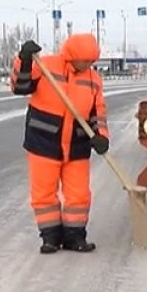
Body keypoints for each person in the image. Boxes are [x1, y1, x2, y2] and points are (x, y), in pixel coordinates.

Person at [10, 33, 110, 254]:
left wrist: (101, 135)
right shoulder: (45, 66)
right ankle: (50, 237)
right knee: (44, 194)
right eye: (85, 60)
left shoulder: (94, 79)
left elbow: (97, 111)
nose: (88, 65)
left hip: (77, 144)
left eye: (92, 61)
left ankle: (75, 237)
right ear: (73, 55)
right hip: (44, 141)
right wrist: (24, 59)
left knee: (79, 195)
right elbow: (20, 86)